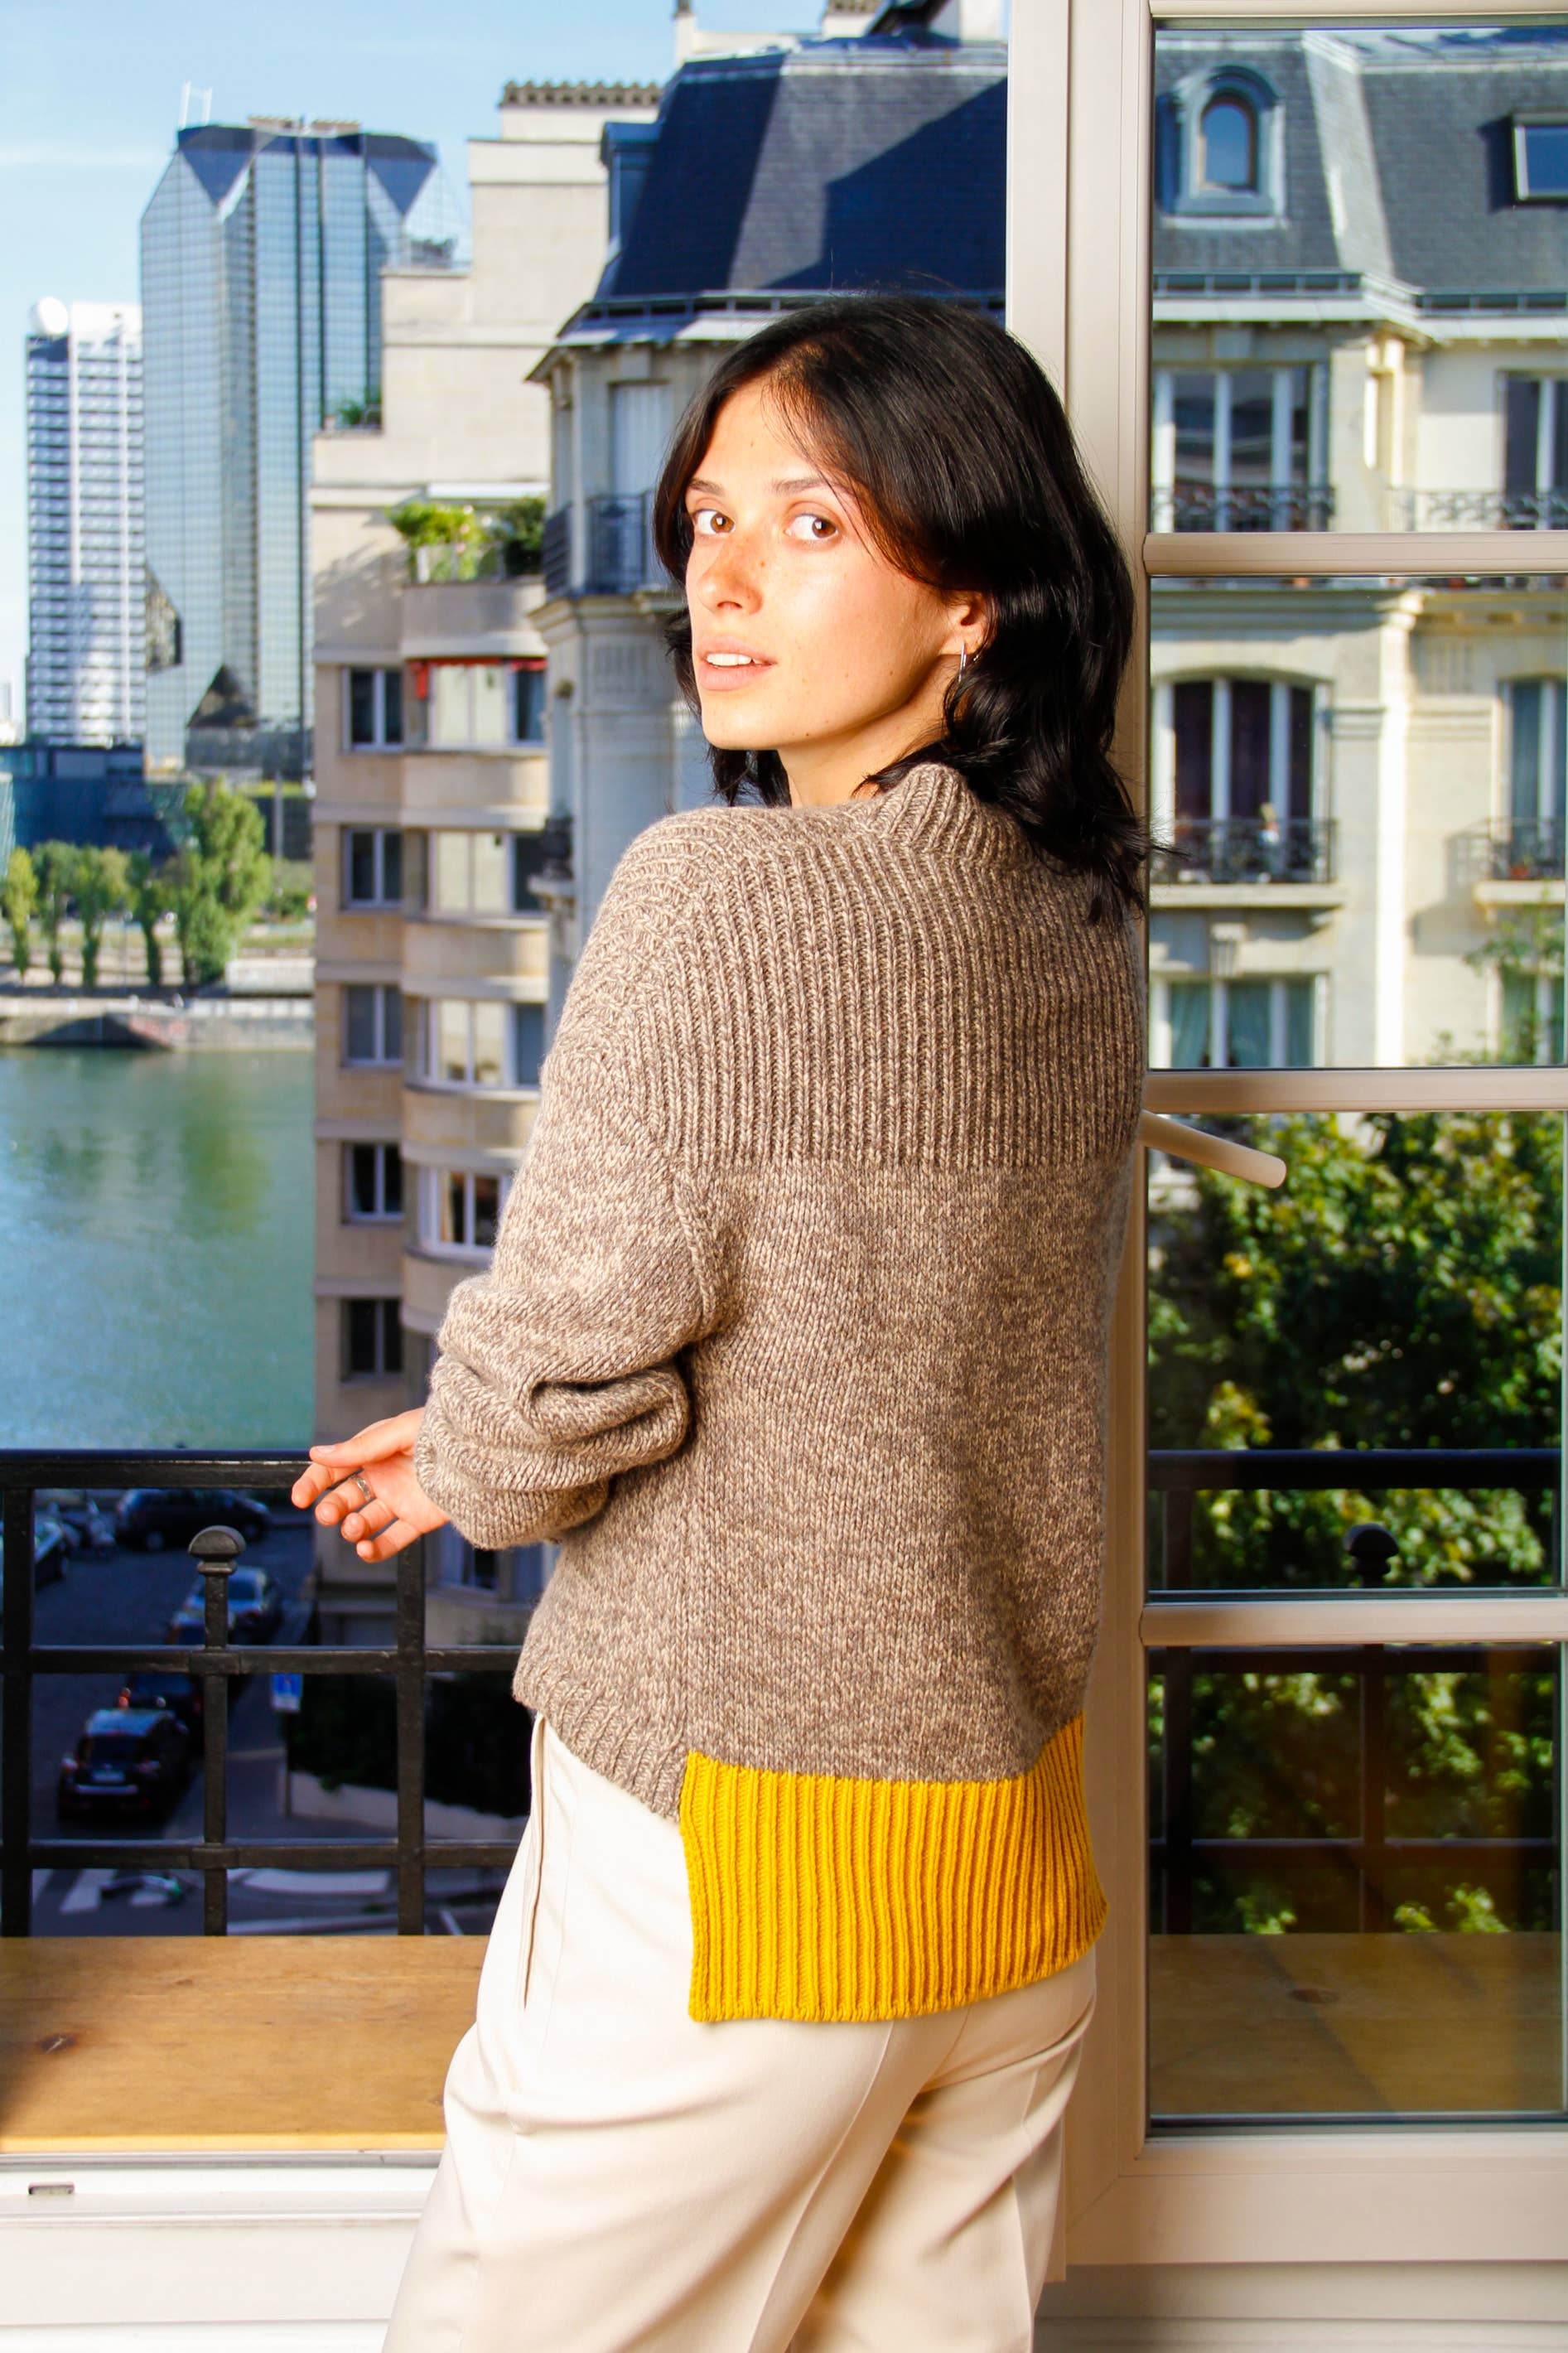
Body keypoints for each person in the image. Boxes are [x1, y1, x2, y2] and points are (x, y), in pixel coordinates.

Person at [293, 292, 1155, 2353]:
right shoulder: (1076, 913)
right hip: (1004, 1854)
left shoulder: (723, 898)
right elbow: (866, 1310)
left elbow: (567, 1352)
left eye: (814, 522)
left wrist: (478, 1450)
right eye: (705, 520)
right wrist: (485, 1438)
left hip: (742, 1866)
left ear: (971, 599)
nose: (725, 576)